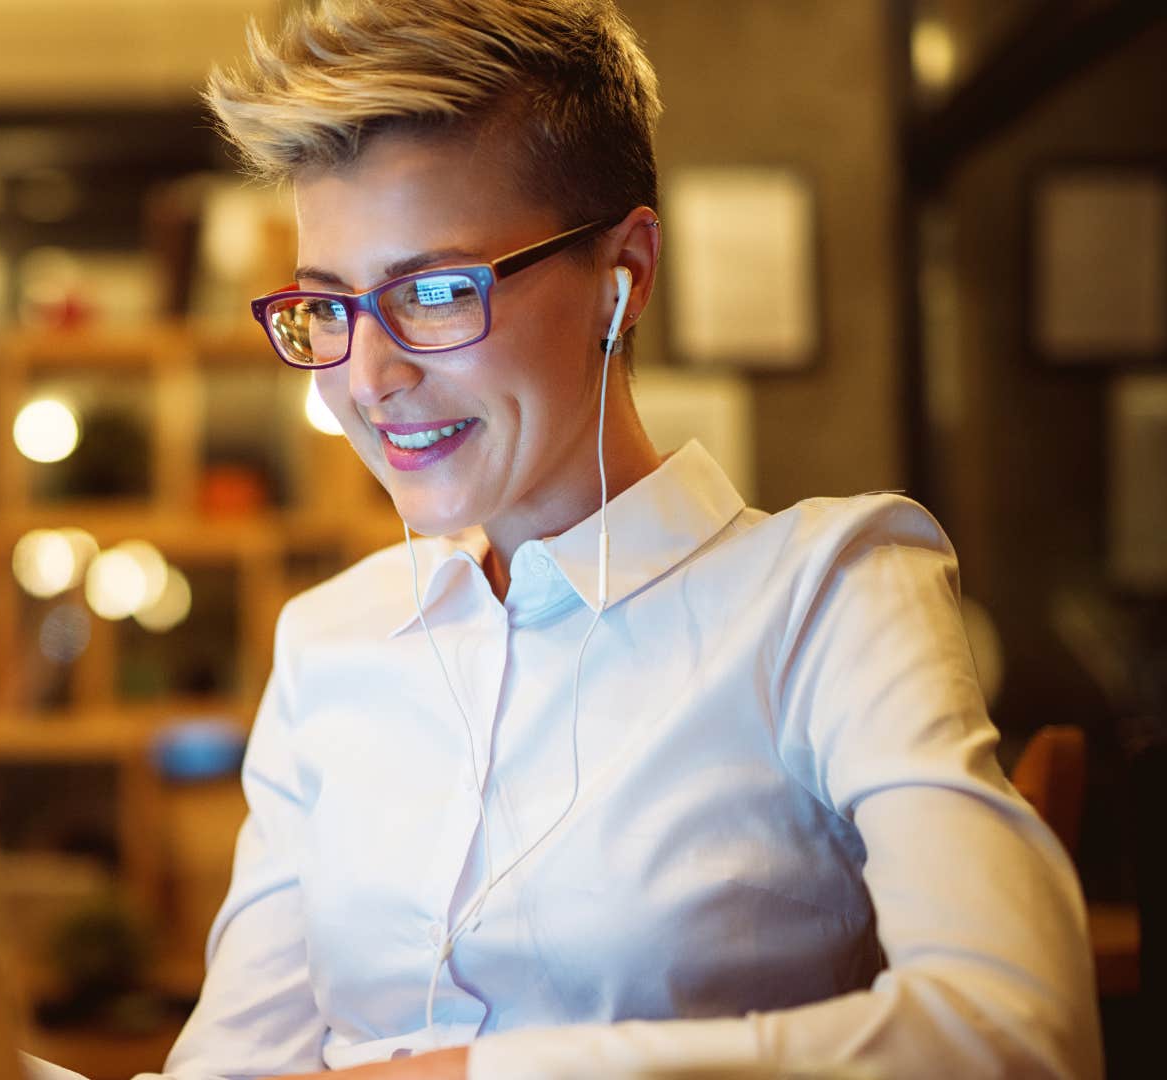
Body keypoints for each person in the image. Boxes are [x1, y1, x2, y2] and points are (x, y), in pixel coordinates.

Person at [136, 2, 1102, 1078]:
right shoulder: (327, 646)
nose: (367, 379)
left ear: (623, 273)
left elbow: (1015, 1034)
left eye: (438, 292)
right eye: (327, 310)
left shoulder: (831, 594)